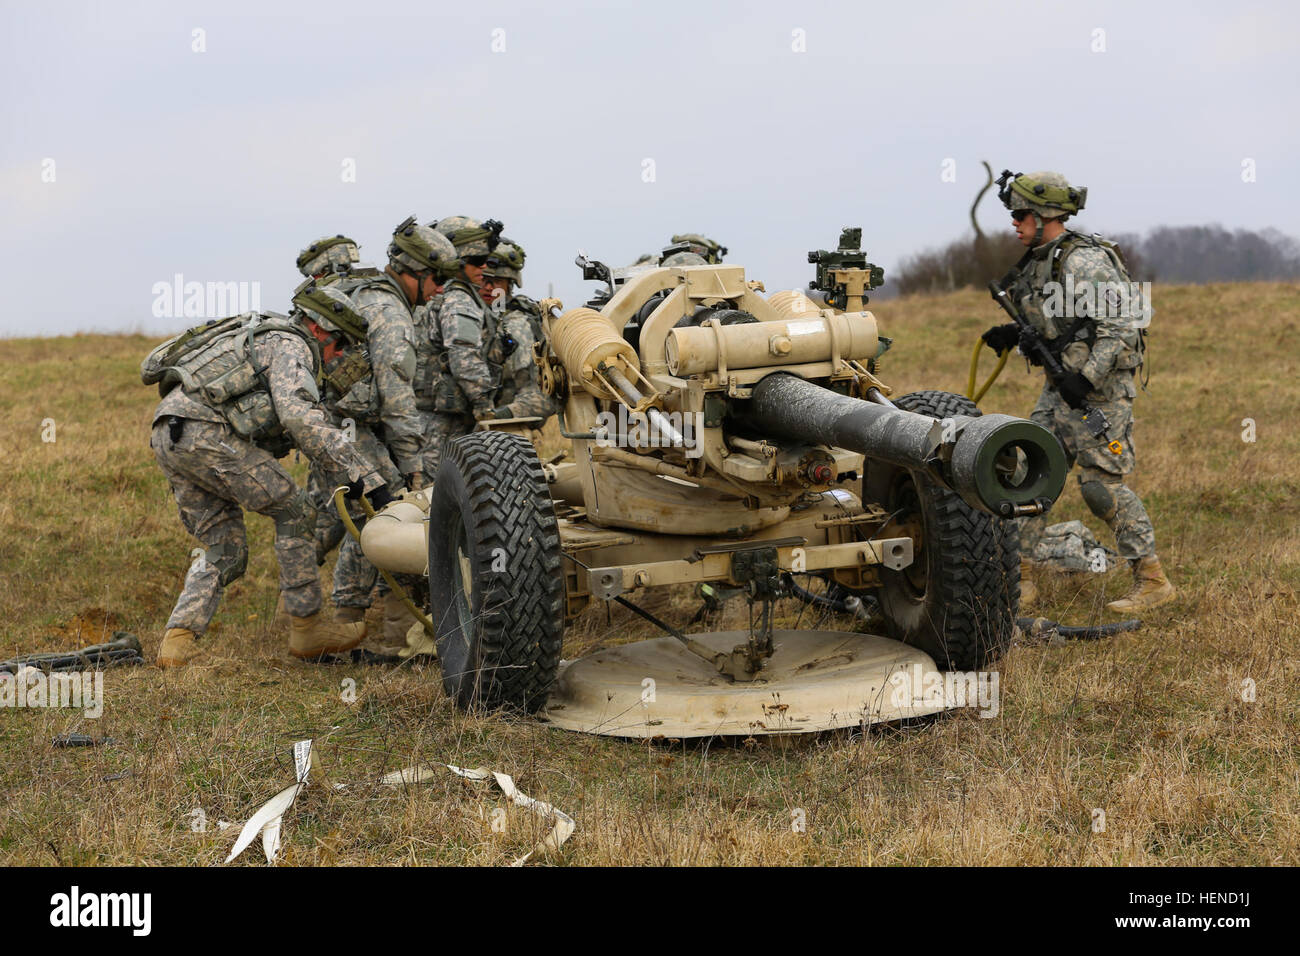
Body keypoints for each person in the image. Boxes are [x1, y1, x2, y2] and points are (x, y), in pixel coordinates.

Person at [143, 309, 391, 667]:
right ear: (319, 328)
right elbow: (300, 418)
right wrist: (366, 480)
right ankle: (306, 629)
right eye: (340, 345)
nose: (338, 358)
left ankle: (176, 643)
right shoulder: (291, 344)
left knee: (225, 547)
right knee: (296, 511)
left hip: (168, 433)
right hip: (206, 434)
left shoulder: (258, 336)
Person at [981, 169, 1174, 613]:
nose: (1014, 222)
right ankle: (1023, 578)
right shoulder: (1040, 259)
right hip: (1059, 390)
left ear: (1043, 214)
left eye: (1020, 214)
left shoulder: (1083, 261)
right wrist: (1014, 333)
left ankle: (1152, 579)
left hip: (1098, 394)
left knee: (1099, 487)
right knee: (1028, 471)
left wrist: (1085, 380)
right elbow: (1061, 319)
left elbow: (1119, 326)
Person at [306, 217, 457, 644]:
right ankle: (355, 626)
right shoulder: (390, 312)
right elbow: (395, 396)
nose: (440, 291)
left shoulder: (362, 290)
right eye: (436, 280)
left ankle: (320, 616)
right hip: (343, 423)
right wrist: (413, 467)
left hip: (324, 418)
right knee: (386, 507)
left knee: (332, 512)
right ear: (415, 273)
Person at [421, 215, 505, 481]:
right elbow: (463, 355)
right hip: (445, 420)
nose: (484, 268)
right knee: (438, 490)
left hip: (438, 414)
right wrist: (484, 404)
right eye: (476, 261)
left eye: (486, 260)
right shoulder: (460, 299)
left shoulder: (442, 293)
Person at [477, 238, 558, 422]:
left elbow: (540, 398)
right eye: (484, 280)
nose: (489, 288)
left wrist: (500, 415)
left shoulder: (516, 325)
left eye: (496, 281)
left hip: (503, 428)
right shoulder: (469, 317)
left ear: (509, 285)